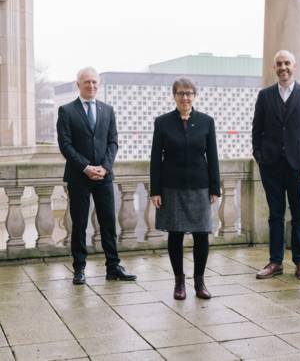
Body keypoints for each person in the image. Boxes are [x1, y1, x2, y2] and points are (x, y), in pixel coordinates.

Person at [57, 67, 137, 285]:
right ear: (78, 85)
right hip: (79, 177)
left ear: (98, 85)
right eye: (87, 82)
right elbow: (65, 145)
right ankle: (79, 268)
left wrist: (105, 167)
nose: (91, 86)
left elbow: (113, 141)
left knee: (108, 223)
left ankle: (113, 266)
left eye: (94, 82)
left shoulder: (107, 110)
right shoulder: (66, 111)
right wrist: (86, 167)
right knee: (80, 224)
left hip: (103, 176)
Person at [252, 50, 300, 281]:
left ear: (295, 66)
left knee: (299, 214)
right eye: (279, 63)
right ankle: (275, 262)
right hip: (271, 165)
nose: (283, 67)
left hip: (298, 166)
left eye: (287, 63)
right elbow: (256, 129)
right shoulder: (265, 96)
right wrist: (259, 156)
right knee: (275, 215)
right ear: (274, 68)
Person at [150, 77, 220, 300]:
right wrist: (155, 190)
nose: (185, 97)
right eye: (181, 93)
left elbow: (213, 156)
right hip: (172, 186)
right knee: (176, 234)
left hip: (200, 185)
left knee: (201, 235)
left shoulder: (206, 121)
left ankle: (199, 282)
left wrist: (214, 187)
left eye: (189, 93)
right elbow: (155, 159)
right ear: (174, 96)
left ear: (195, 96)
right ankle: (179, 283)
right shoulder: (162, 123)